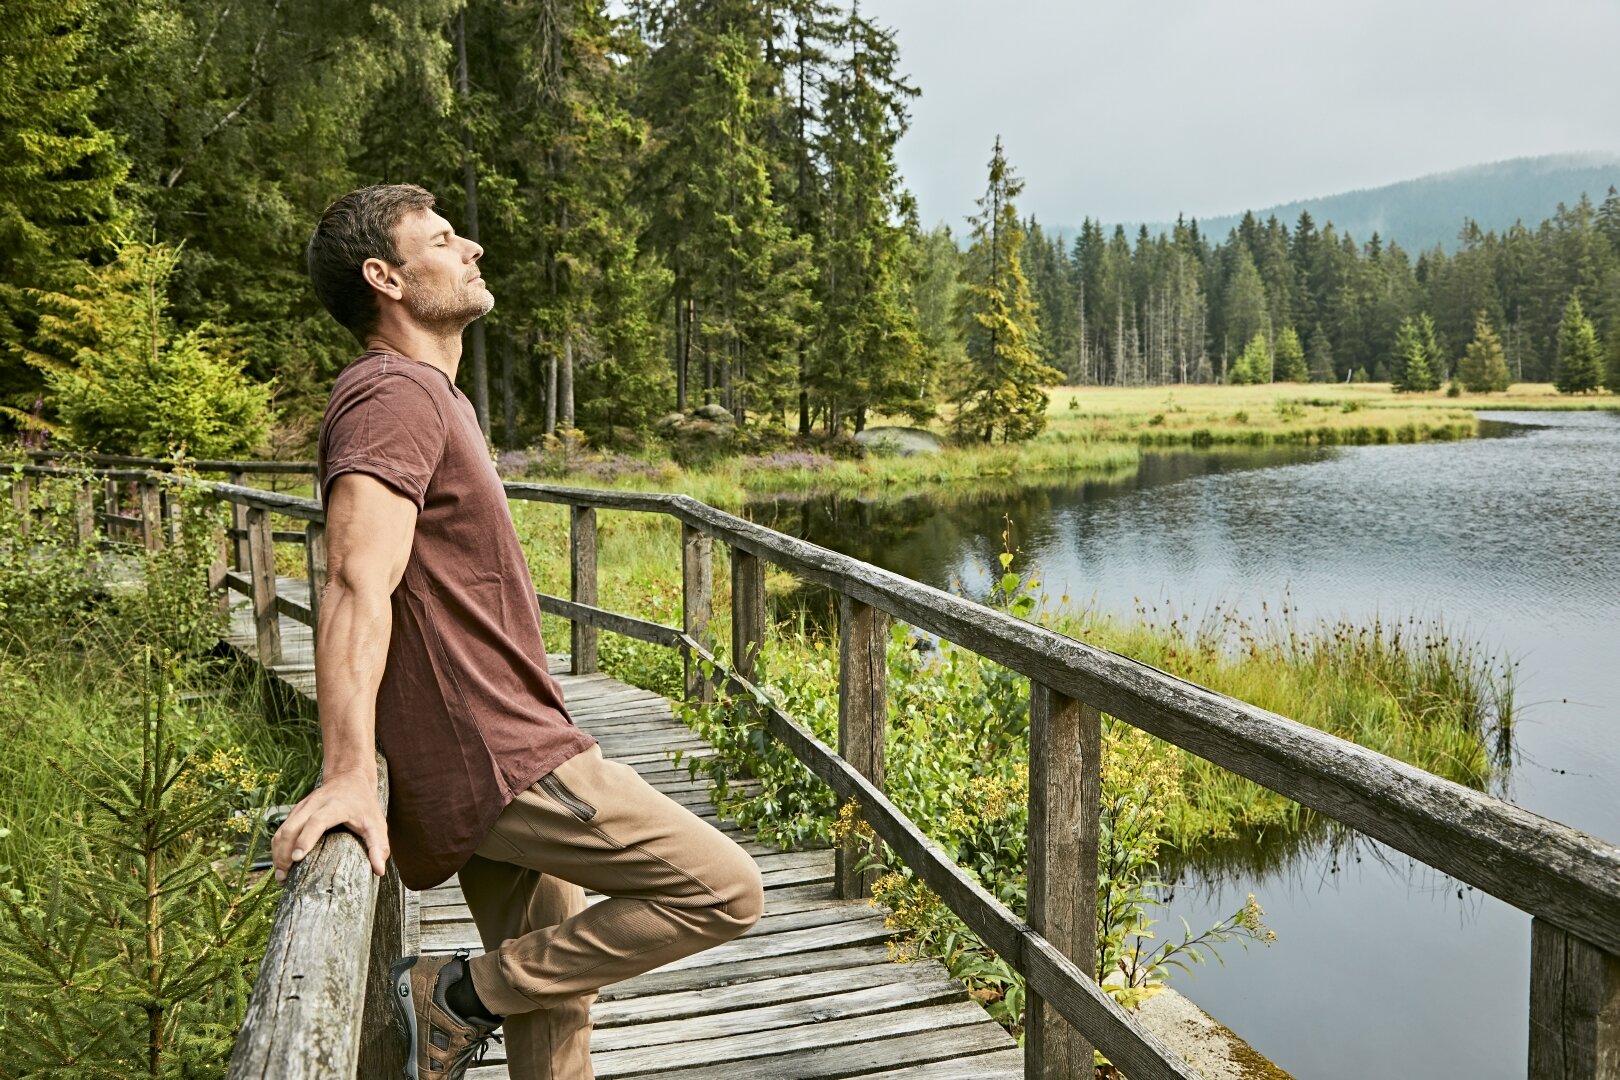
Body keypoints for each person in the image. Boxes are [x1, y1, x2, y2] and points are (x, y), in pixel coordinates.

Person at [271, 184, 763, 1080]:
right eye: (444, 238)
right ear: (385, 277)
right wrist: (346, 771)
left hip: (499, 740)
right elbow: (353, 579)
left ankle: (478, 992)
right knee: (724, 887)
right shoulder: (392, 393)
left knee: (556, 990)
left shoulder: (435, 396)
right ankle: (453, 995)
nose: (474, 249)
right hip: (499, 757)